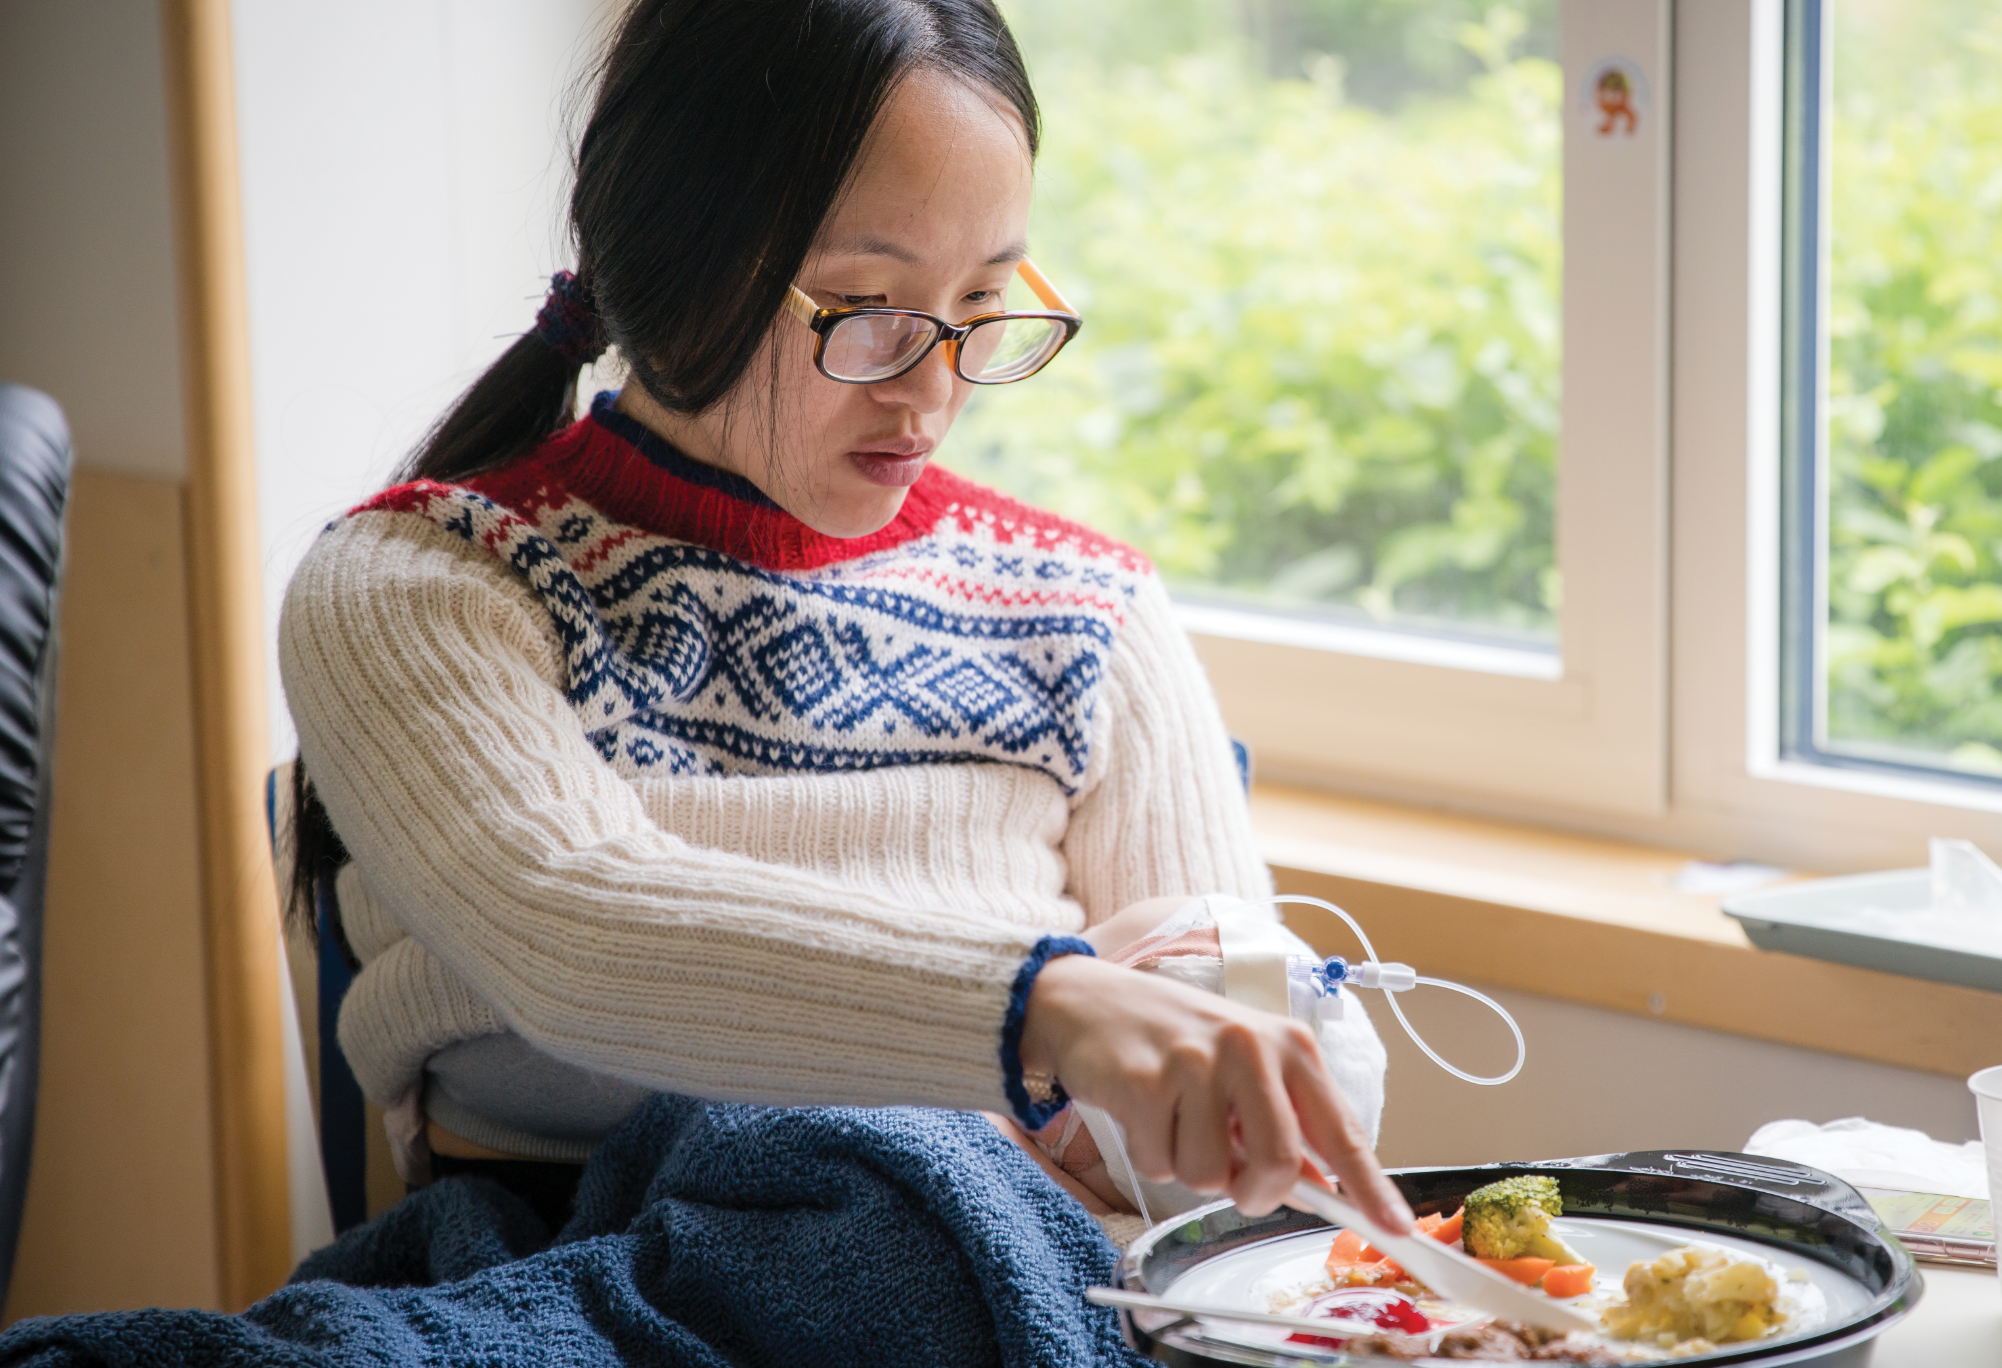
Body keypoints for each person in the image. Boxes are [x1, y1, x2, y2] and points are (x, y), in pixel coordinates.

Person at [279, 0, 1408, 1244]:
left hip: (1005, 1270)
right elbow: (576, 932)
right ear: (679, 262)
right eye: (867, 307)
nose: (933, 389)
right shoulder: (425, 584)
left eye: (981, 305)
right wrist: (1045, 1008)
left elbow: (1221, 1081)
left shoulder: (1088, 613)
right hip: (585, 1280)